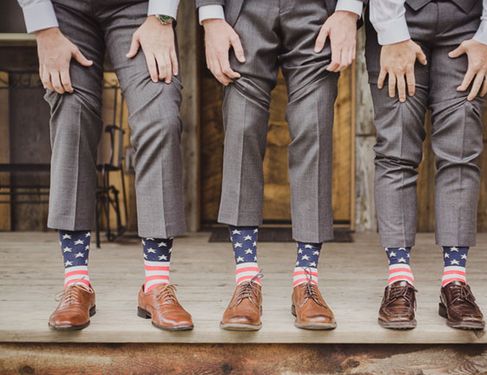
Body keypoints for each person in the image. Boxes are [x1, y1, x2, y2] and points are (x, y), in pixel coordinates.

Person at [17, 0, 193, 331]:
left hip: (140, 7)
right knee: (71, 118)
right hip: (63, 9)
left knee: (161, 118)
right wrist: (43, 27)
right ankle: (76, 283)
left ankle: (156, 284)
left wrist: (162, 14)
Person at [196, 0, 366, 331]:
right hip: (244, 10)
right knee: (242, 130)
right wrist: (211, 16)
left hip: (317, 10)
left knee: (313, 127)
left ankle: (307, 280)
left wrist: (349, 10)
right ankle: (246, 280)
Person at [365, 0, 487, 330]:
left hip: (468, 21)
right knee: (396, 149)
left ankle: (455, 281)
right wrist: (390, 30)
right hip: (399, 14)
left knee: (461, 150)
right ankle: (399, 279)